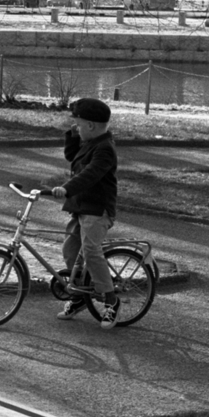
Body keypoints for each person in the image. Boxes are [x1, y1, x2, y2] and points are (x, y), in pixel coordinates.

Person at [52, 97, 120, 329]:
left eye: (79, 124)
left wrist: (66, 188)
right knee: (70, 251)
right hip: (81, 207)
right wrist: (72, 135)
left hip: (97, 209)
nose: (76, 127)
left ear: (91, 126)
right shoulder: (91, 142)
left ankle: (111, 301)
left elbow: (89, 174)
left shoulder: (105, 149)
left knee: (91, 250)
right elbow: (74, 158)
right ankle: (79, 296)